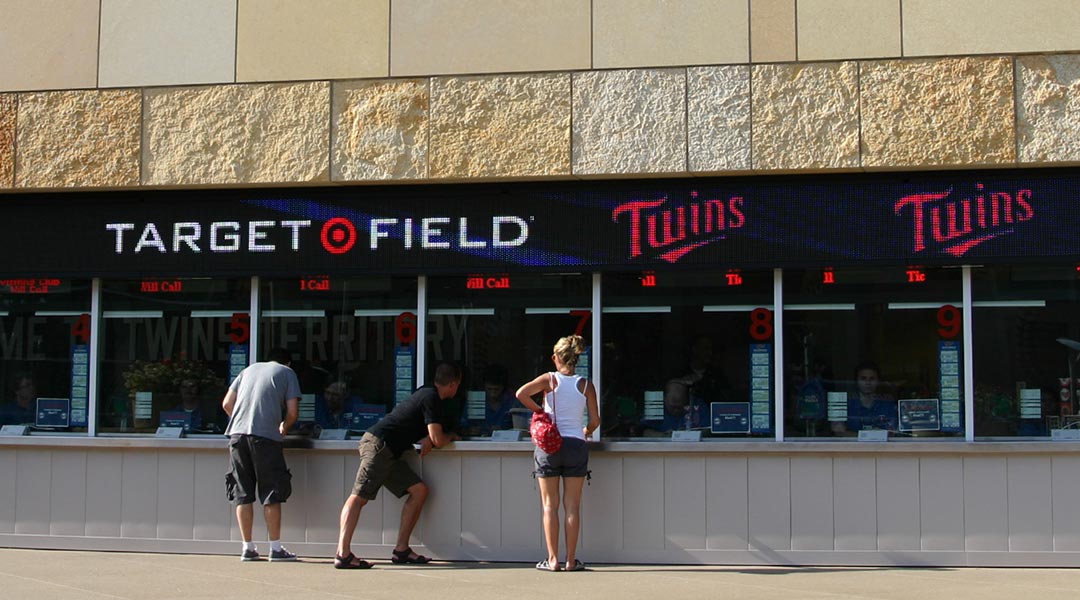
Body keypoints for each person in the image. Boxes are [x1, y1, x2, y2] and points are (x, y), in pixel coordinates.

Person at [334, 362, 462, 569]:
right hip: (379, 445)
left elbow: (423, 430)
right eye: (458, 386)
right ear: (453, 384)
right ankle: (343, 553)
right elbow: (438, 439)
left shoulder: (426, 393)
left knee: (419, 491)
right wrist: (450, 436)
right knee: (358, 497)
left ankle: (401, 550)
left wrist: (429, 439)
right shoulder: (431, 397)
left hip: (390, 451)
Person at [515, 335, 600, 572]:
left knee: (549, 505)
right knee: (572, 506)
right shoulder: (585, 384)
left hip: (549, 445)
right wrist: (585, 430)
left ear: (555, 358)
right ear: (576, 359)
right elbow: (595, 420)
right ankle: (571, 560)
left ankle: (552, 560)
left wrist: (540, 410)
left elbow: (521, 393)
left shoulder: (548, 379)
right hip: (575, 444)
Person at [221, 347, 301, 562]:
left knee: (242, 492)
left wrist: (241, 419)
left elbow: (227, 403)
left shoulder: (247, 370)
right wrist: (283, 427)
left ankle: (248, 547)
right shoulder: (287, 373)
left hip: (237, 436)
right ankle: (275, 548)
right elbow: (293, 412)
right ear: (288, 363)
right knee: (271, 492)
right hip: (265, 438)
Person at [832, 361, 897, 434]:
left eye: (872, 379)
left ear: (878, 381)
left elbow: (892, 432)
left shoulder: (888, 404)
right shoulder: (846, 404)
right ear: (856, 381)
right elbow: (838, 432)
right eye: (863, 378)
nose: (868, 382)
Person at [460, 364, 519, 436]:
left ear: (503, 387)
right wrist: (470, 430)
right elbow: (462, 428)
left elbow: (522, 428)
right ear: (484, 387)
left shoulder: (513, 403)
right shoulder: (476, 401)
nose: (492, 394)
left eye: (496, 389)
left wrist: (504, 431)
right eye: (489, 389)